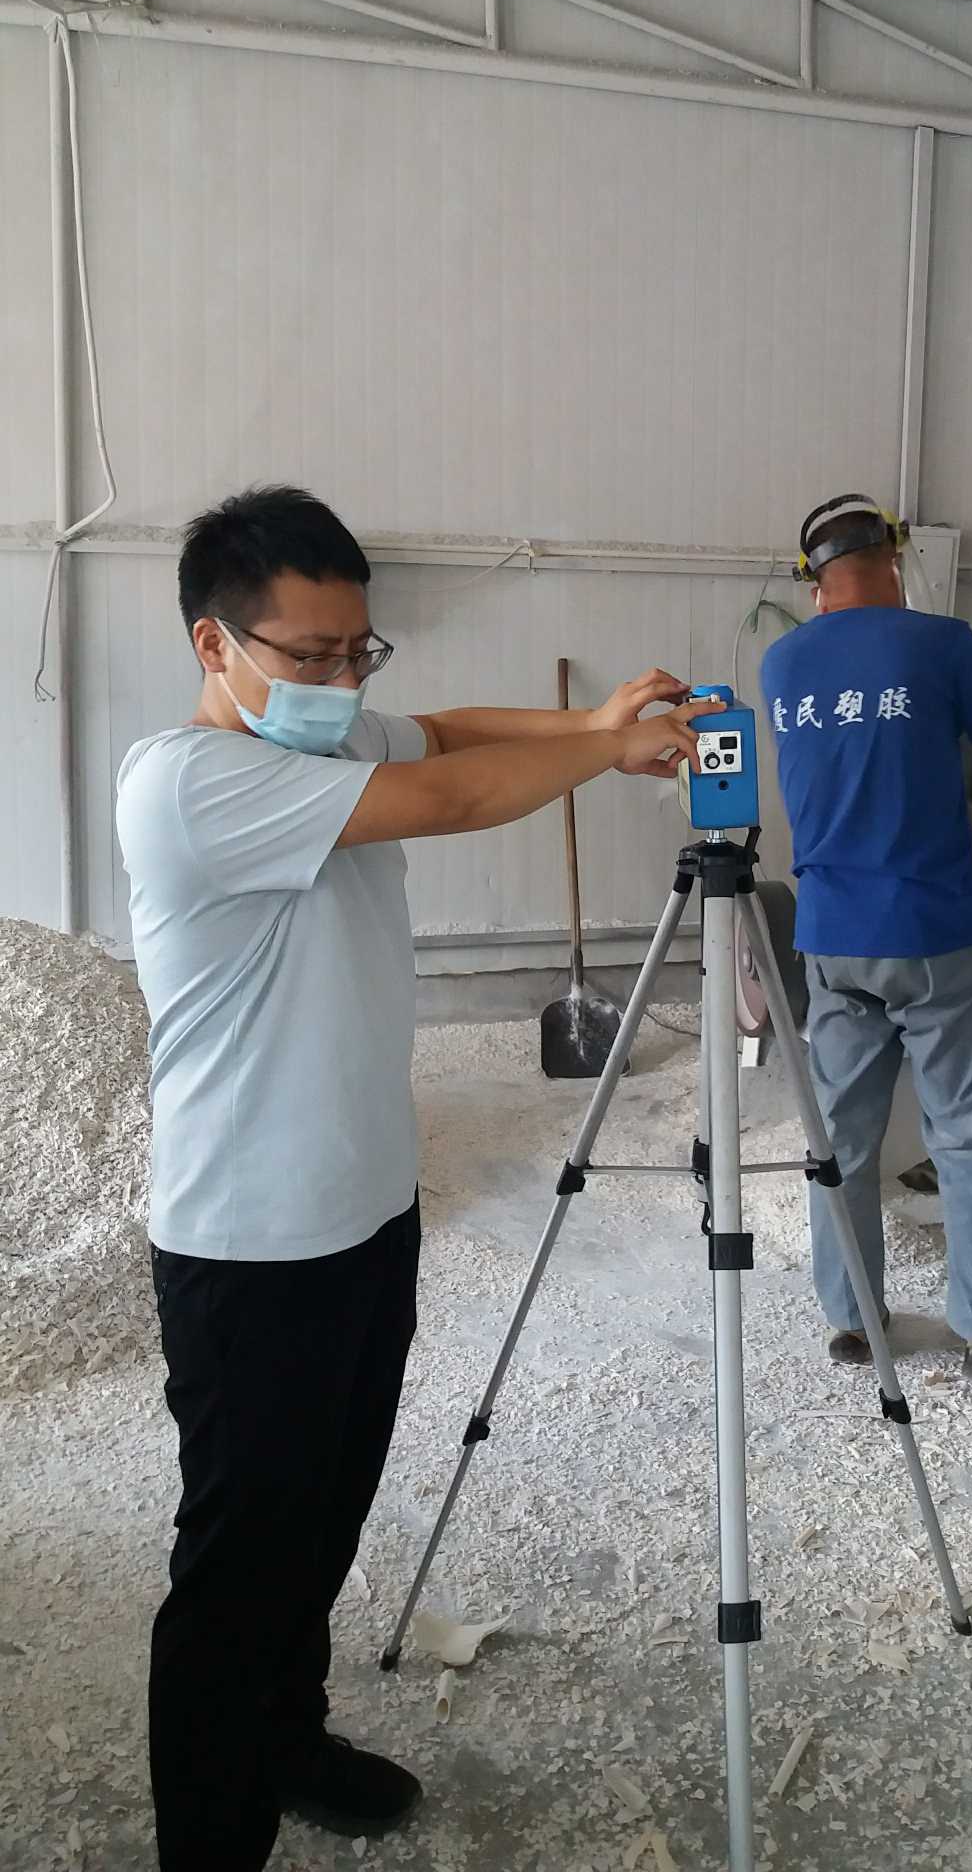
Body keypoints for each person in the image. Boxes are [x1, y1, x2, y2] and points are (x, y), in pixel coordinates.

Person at [115, 486, 715, 1872]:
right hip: (249, 1250)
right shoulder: (188, 783)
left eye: (358, 652)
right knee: (237, 1569)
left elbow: (443, 735)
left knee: (323, 1521)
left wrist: (585, 722)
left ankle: (289, 1739)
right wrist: (607, 749)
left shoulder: (326, 735)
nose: (343, 684)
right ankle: (210, 1841)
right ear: (214, 644)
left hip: (367, 1216)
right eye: (310, 655)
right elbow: (447, 796)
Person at [760, 494, 972, 1385]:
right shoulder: (941, 643)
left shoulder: (782, 663)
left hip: (833, 938)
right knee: (967, 1131)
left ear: (814, 583)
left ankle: (854, 1317)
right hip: (940, 934)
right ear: (894, 561)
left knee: (842, 1140)